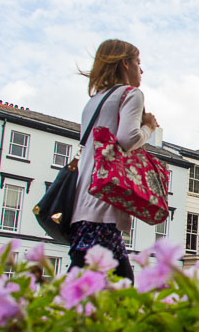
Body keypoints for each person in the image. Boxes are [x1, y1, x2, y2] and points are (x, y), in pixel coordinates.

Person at [68, 39, 159, 282]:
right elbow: (127, 140)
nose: (141, 70)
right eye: (138, 63)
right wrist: (148, 127)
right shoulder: (131, 94)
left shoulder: (93, 102)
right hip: (104, 202)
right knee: (92, 285)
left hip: (81, 201)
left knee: (101, 281)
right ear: (125, 63)